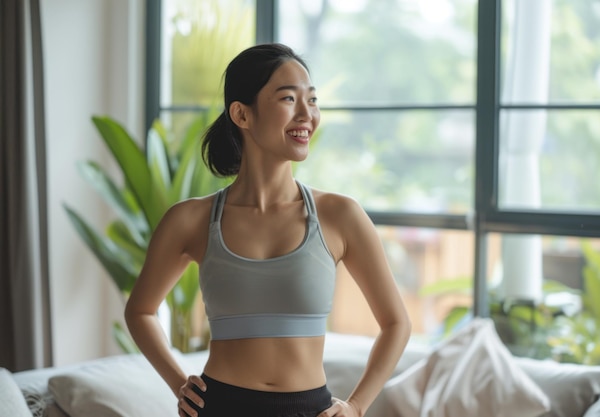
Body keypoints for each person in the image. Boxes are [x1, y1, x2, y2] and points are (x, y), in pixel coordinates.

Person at [125, 43, 411, 417]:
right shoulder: (190, 220)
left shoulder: (340, 215)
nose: (307, 114)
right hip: (219, 408)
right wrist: (178, 381)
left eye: (312, 100)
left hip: (310, 409)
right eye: (289, 99)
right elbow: (140, 311)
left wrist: (356, 406)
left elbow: (396, 323)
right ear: (242, 114)